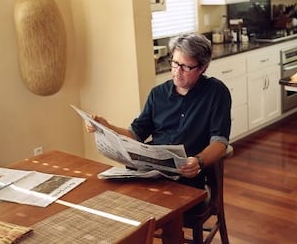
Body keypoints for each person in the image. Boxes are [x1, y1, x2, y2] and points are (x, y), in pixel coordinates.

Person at [85, 33, 232, 189]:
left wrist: (199, 161)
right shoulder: (158, 94)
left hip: (187, 177)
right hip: (151, 173)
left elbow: (220, 142)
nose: (177, 71)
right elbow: (135, 135)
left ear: (202, 68)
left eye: (186, 67)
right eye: (175, 63)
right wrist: (106, 126)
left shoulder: (216, 92)